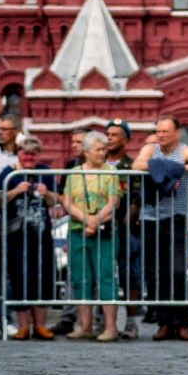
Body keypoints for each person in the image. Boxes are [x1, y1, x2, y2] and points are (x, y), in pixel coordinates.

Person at [134, 118, 188, 340]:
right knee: (155, 273)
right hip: (150, 219)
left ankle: (182, 323)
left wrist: (178, 168)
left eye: (165, 131)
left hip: (176, 218)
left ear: (177, 133)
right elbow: (137, 165)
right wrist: (164, 167)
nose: (161, 135)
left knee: (178, 272)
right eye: (158, 131)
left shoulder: (185, 150)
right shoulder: (150, 148)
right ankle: (164, 323)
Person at [59, 129, 124, 342]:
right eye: (98, 149)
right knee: (81, 278)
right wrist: (87, 220)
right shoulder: (74, 173)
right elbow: (66, 201)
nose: (103, 153)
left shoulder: (110, 173)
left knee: (106, 277)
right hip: (78, 231)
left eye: (104, 149)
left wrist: (95, 222)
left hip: (104, 232)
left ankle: (110, 327)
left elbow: (113, 202)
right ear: (86, 152)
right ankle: (85, 325)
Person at [0, 132, 60, 339]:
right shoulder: (8, 173)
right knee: (19, 277)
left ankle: (40, 325)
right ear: (19, 154)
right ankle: (23, 326)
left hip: (41, 235)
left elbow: (55, 202)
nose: (29, 158)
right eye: (26, 154)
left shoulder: (45, 172)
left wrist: (48, 193)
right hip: (16, 237)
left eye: (33, 155)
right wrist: (15, 191)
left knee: (42, 276)